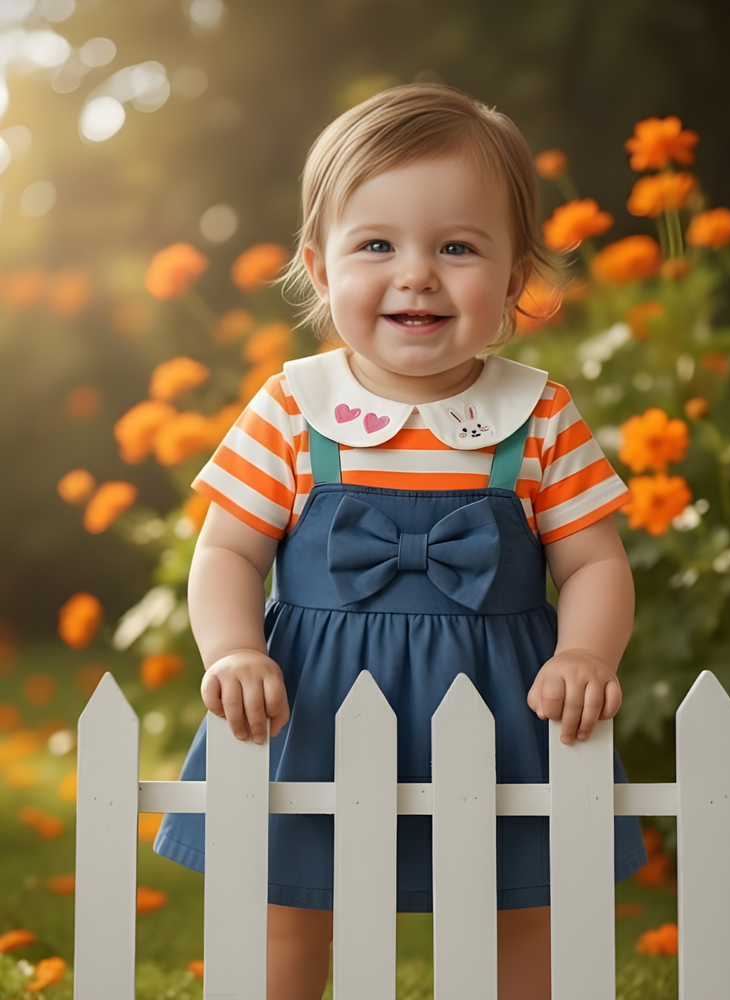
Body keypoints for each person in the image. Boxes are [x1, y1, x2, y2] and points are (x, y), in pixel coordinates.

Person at [153, 82, 648, 1000]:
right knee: (288, 906)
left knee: (523, 906)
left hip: (501, 706)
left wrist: (585, 650)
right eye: (377, 245)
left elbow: (593, 559)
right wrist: (232, 649)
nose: (416, 273)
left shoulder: (535, 414)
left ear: (512, 278)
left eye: (457, 247)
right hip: (314, 697)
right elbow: (227, 551)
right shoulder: (294, 409)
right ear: (320, 265)